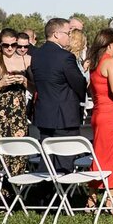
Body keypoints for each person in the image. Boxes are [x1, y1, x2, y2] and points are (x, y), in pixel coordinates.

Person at [30, 18, 87, 173]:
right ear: (55, 34)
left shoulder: (36, 55)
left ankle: (45, 195)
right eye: (67, 33)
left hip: (44, 114)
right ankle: (63, 194)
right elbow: (79, 83)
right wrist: (81, 98)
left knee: (46, 161)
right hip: (65, 115)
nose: (70, 36)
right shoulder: (65, 57)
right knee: (64, 160)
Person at [85, 28, 113, 212]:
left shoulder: (95, 63)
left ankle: (91, 199)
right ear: (110, 44)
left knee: (99, 155)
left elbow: (90, 88)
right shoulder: (110, 62)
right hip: (111, 115)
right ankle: (110, 200)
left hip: (98, 112)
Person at [0, 29, 32, 172]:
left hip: (18, 115)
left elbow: (35, 90)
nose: (10, 48)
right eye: (5, 45)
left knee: (17, 155)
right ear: (0, 45)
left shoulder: (26, 60)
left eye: (13, 45)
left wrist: (24, 81)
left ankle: (15, 190)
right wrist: (1, 83)